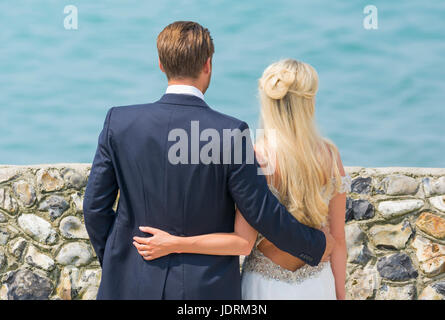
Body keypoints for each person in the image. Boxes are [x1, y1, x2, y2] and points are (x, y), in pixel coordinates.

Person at [83, 21, 334, 300]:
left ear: (161, 64)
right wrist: (315, 245)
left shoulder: (118, 122)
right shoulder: (231, 133)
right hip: (203, 290)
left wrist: (120, 263)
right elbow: (261, 212)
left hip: (131, 283)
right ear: (208, 65)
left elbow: (95, 208)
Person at [133, 59, 350, 300]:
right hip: (318, 286)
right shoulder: (330, 155)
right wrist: (340, 294)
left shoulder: (256, 156)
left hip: (265, 288)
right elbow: (338, 240)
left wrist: (174, 243)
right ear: (309, 101)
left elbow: (242, 244)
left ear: (267, 101)